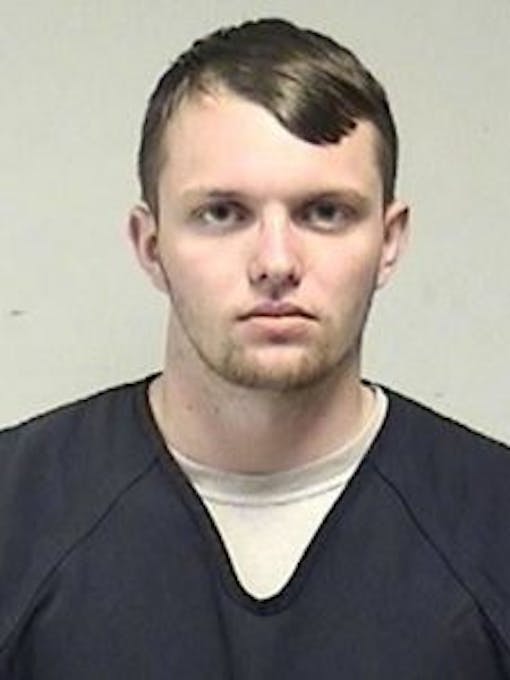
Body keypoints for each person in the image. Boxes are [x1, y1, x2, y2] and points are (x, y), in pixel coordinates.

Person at [0, 17, 509, 679]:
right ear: (151, 246)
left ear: (389, 241)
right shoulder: (16, 514)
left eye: (325, 212)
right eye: (222, 213)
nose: (275, 262)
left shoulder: (494, 522)